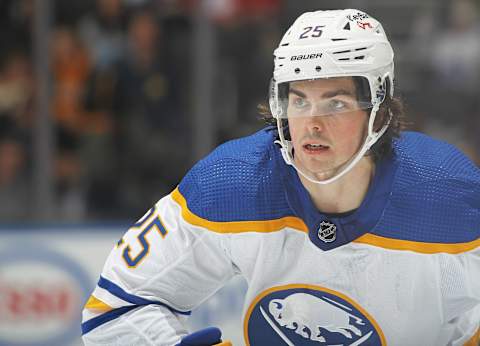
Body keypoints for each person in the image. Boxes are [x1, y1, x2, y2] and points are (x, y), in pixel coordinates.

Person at [81, 9, 480, 346]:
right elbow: (113, 310)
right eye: (298, 100)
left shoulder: (450, 193)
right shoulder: (230, 181)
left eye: (336, 102)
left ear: (379, 108)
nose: (311, 123)